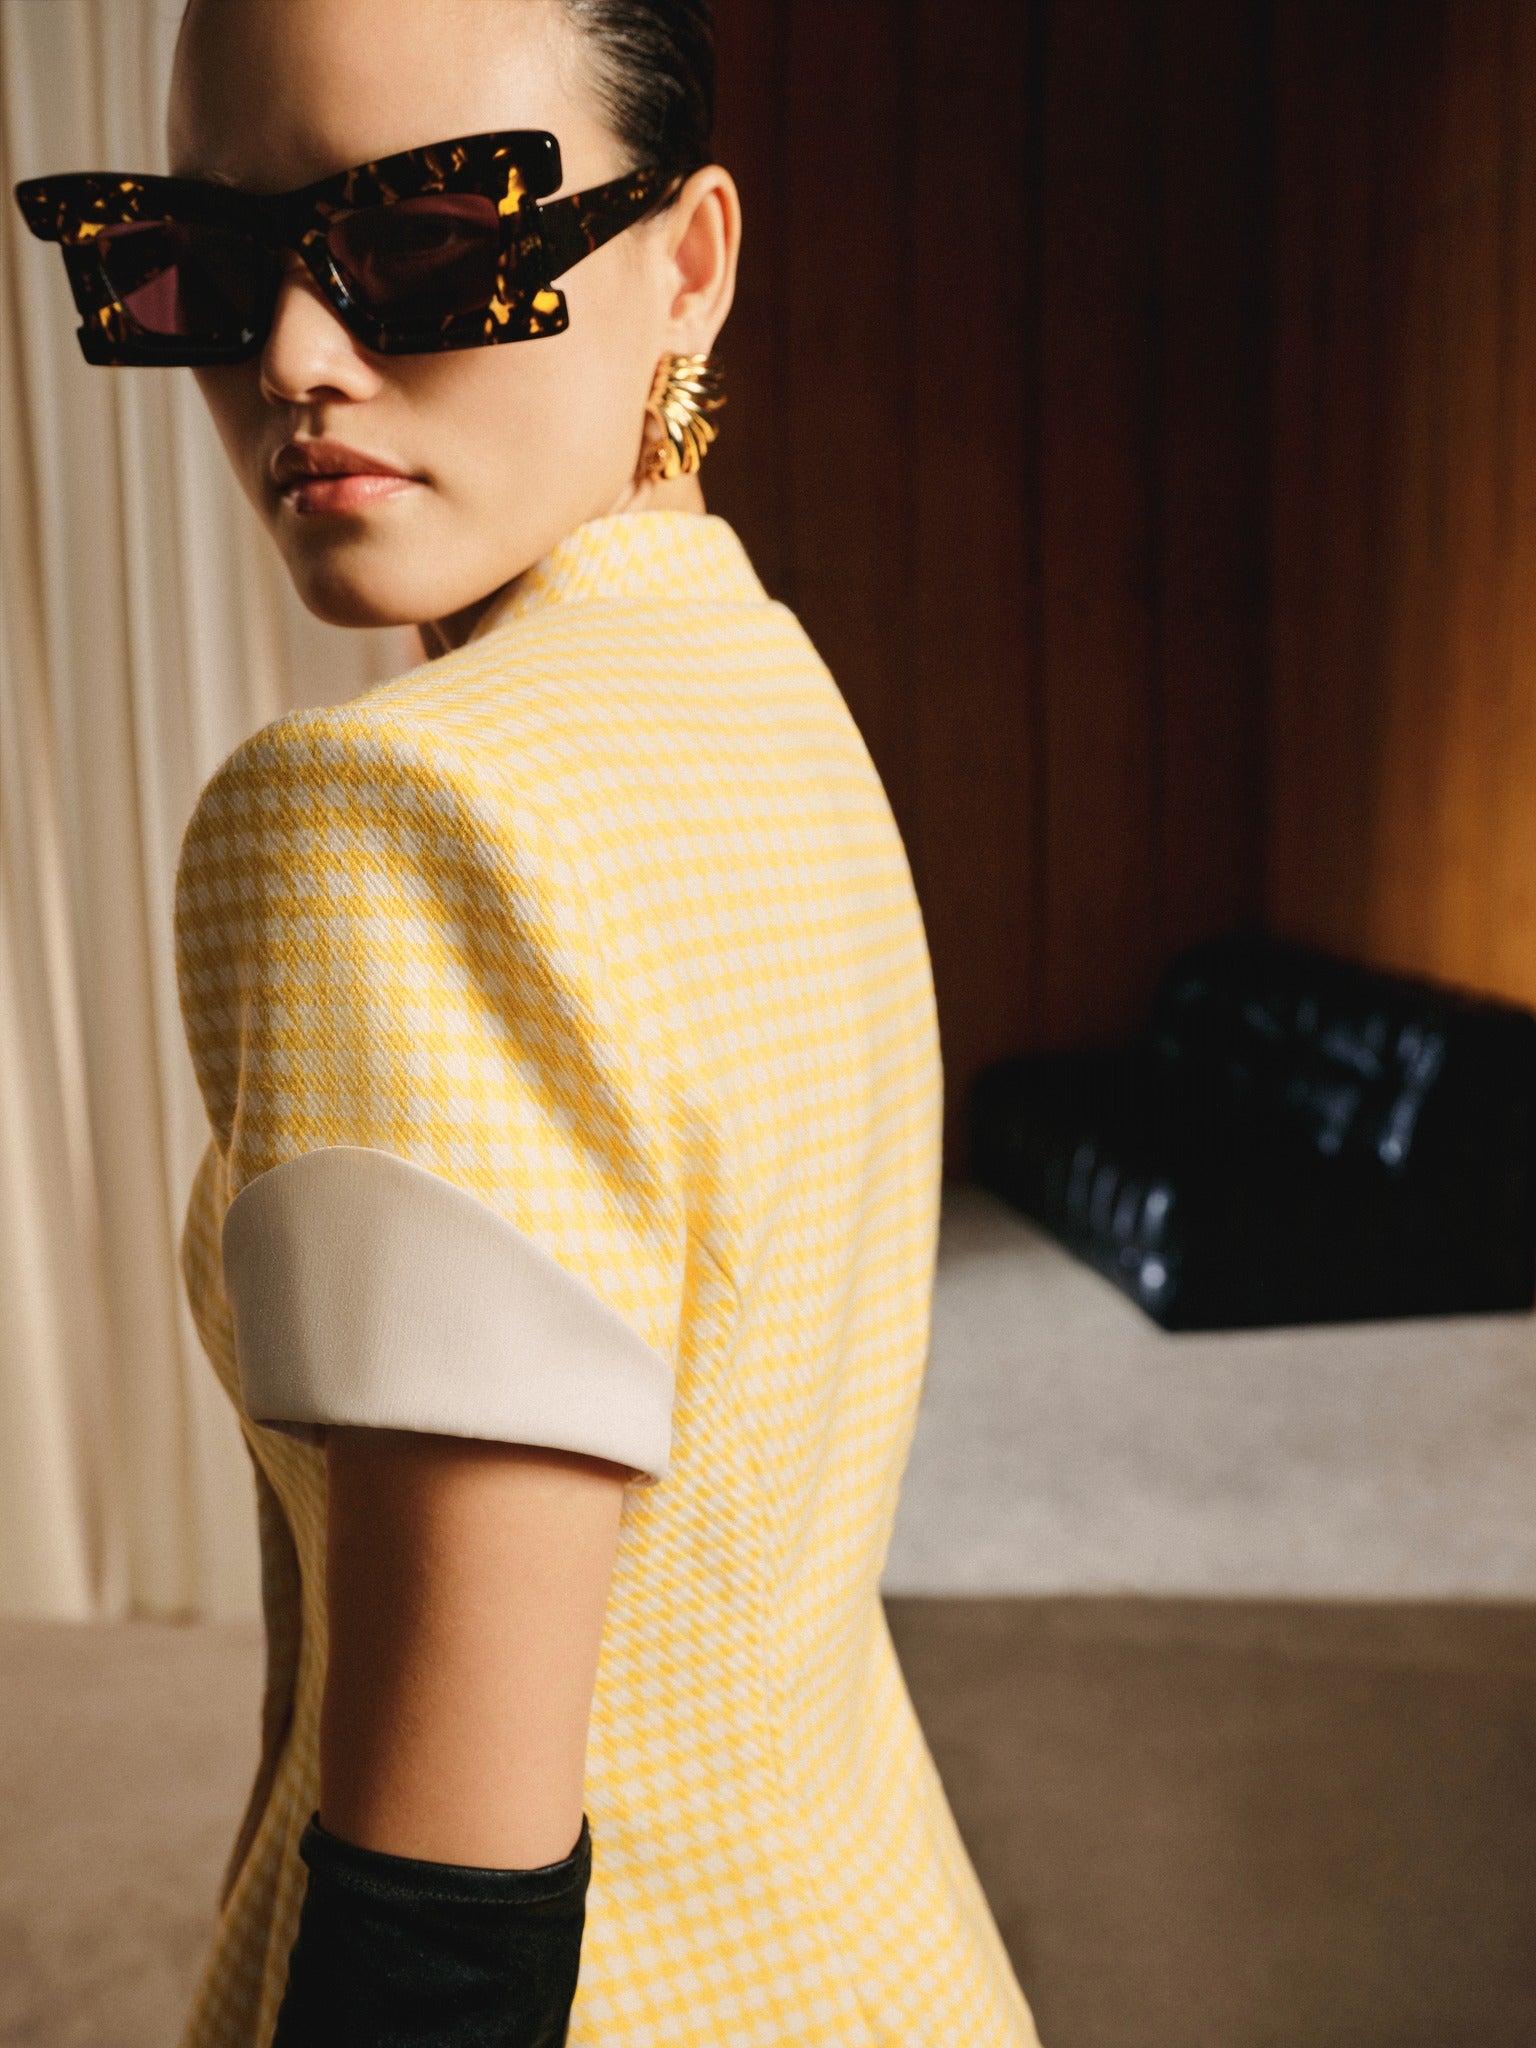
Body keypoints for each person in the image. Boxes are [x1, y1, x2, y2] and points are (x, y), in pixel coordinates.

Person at [17, 2, 1042, 2042]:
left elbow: (444, 1903)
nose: (293, 355)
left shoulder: (397, 815)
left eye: (420, 234)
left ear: (689, 258)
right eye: (203, 263)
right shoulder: (761, 687)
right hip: (885, 1950)